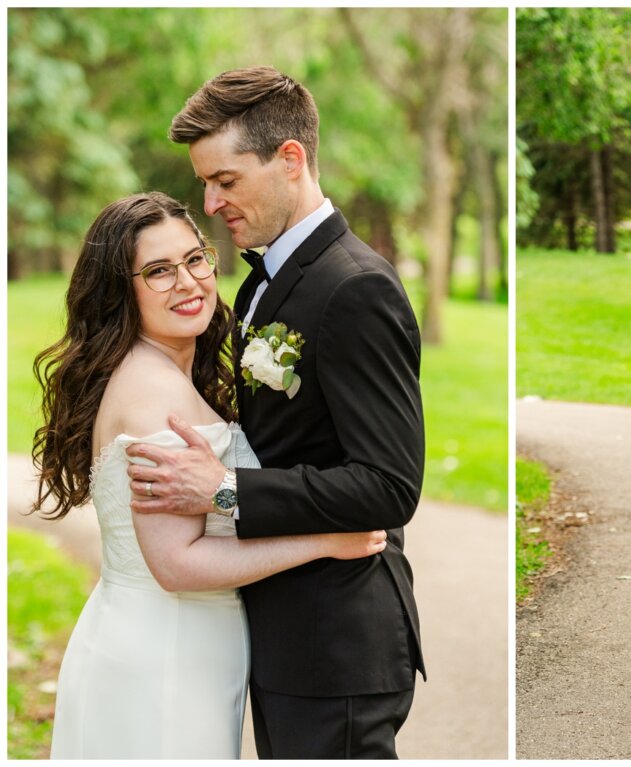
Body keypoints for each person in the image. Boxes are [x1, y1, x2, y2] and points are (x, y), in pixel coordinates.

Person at [124, 67, 426, 759]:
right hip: (290, 629)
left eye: (225, 181)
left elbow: (389, 486)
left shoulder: (354, 288)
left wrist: (225, 491)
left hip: (336, 638)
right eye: (205, 182)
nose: (211, 200)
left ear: (290, 158)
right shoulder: (271, 277)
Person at [34, 192, 387, 758]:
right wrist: (326, 541)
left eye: (195, 259)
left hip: (178, 646)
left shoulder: (168, 370)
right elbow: (177, 564)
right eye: (158, 271)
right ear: (118, 289)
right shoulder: (150, 392)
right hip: (163, 658)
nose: (187, 282)